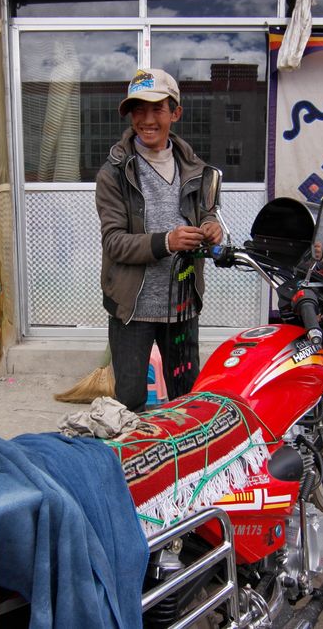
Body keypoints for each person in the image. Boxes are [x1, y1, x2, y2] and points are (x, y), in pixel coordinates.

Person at [95, 68, 223, 412]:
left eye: (157, 110)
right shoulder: (114, 174)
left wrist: (212, 229)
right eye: (138, 110)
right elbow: (115, 243)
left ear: (175, 113)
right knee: (131, 400)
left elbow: (209, 214)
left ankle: (184, 461)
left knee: (187, 396)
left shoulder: (197, 169)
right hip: (132, 309)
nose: (147, 119)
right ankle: (136, 461)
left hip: (182, 303)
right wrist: (167, 241)